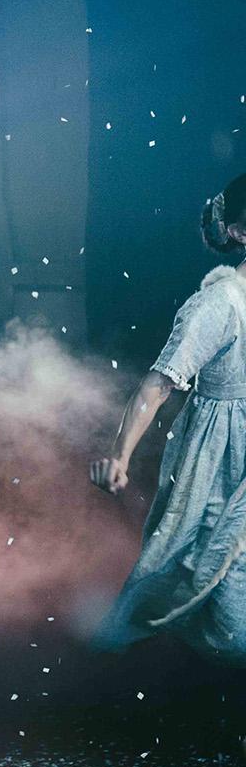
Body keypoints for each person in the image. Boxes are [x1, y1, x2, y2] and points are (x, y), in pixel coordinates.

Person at [92, 174, 246, 663]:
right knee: (207, 577)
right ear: (241, 233)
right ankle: (109, 667)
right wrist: (119, 457)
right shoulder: (219, 306)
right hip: (224, 458)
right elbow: (158, 385)